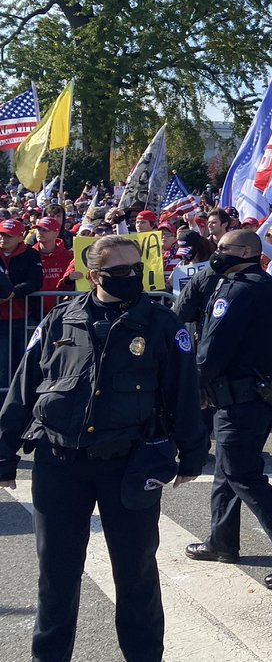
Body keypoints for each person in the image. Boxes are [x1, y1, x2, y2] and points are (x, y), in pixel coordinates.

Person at [0, 235, 206, 662]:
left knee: (136, 576)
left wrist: (192, 452)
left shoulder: (161, 324)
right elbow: (23, 391)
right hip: (59, 463)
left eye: (137, 269)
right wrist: (4, 454)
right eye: (121, 271)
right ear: (94, 276)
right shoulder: (60, 319)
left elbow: (184, 393)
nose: (133, 277)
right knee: (56, 577)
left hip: (129, 464)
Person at [184, 229, 272, 589]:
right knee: (228, 472)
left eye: (223, 248)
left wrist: (195, 386)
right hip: (258, 393)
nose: (217, 252)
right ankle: (222, 540)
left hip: (238, 396)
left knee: (243, 475)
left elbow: (212, 348)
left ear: (245, 251)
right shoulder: (267, 286)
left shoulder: (236, 289)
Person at [0, 217, 42, 382]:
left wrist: (12, 293)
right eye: (1, 234)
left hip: (23, 316)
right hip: (2, 318)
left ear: (20, 237)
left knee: (23, 360)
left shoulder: (31, 253)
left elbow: (35, 281)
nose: (3, 238)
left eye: (8, 235)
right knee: (3, 364)